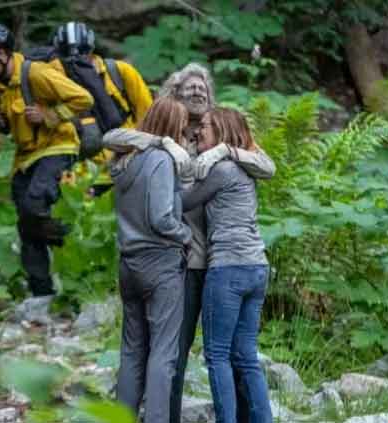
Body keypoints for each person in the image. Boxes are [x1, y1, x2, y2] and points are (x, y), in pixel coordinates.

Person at [102, 62, 275, 423]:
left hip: (216, 262)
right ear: (174, 97)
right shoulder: (167, 137)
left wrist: (224, 152)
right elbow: (112, 139)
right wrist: (165, 142)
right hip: (179, 261)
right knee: (174, 352)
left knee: (224, 353)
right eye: (189, 88)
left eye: (203, 89)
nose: (198, 93)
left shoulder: (218, 133)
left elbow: (267, 166)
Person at [0, 22, 94, 297]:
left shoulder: (36, 73)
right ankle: (41, 292)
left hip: (57, 147)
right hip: (24, 158)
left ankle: (75, 241)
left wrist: (49, 115)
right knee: (26, 225)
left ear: (1, 53)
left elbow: (83, 98)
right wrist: (0, 122)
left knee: (34, 203)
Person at [182, 108, 272, 423]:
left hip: (228, 269)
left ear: (221, 130)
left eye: (204, 126)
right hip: (257, 267)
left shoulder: (221, 170)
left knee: (217, 355)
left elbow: (184, 202)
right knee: (246, 356)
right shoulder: (246, 167)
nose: (197, 132)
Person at [111, 97, 192, 423]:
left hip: (128, 263)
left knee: (132, 351)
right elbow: (161, 218)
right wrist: (186, 235)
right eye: (183, 126)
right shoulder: (160, 159)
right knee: (164, 352)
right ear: (173, 126)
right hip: (160, 264)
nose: (186, 131)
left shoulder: (124, 161)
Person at [51, 21, 152, 196]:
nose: (76, 62)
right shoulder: (52, 83)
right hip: (80, 177)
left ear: (92, 50)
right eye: (67, 58)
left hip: (128, 165)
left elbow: (151, 118)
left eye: (83, 54)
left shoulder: (120, 72)